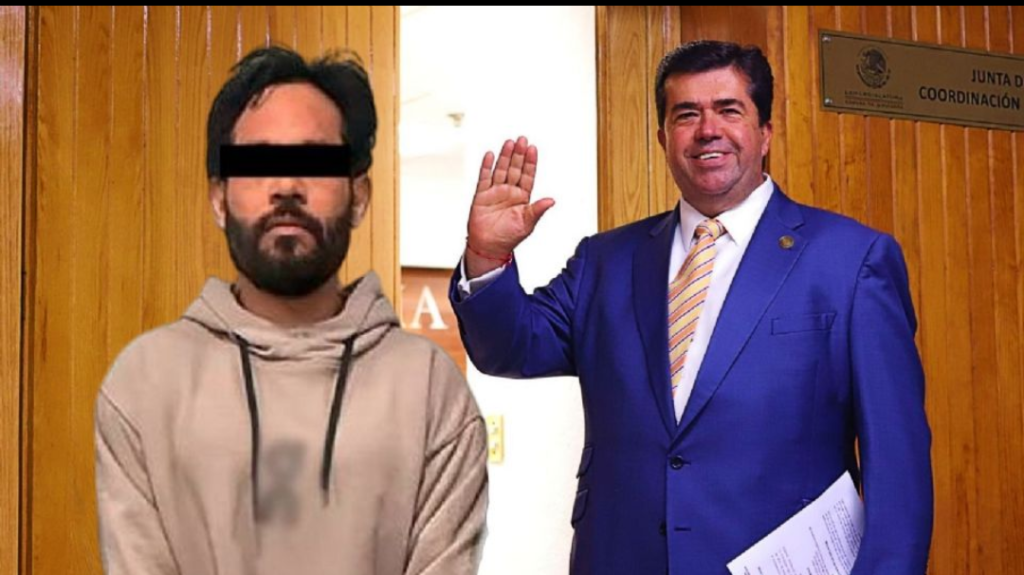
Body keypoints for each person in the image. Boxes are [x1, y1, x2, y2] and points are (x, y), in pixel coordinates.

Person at [450, 40, 932, 574]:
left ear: (765, 132)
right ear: (663, 138)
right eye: (686, 114)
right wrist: (487, 256)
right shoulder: (605, 262)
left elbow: (898, 464)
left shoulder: (851, 260)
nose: (707, 130)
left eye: (729, 110)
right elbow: (510, 347)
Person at [95, 46, 487, 575]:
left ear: (358, 196)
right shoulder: (143, 383)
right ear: (219, 198)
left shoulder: (431, 390)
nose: (286, 187)